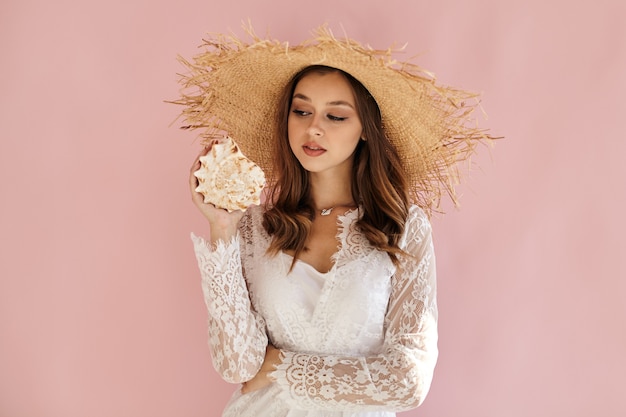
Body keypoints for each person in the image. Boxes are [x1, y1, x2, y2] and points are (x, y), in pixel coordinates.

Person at [178, 26, 492, 417]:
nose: (314, 127)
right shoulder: (254, 228)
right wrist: (222, 230)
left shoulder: (403, 226)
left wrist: (278, 366)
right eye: (302, 110)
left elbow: (407, 380)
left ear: (365, 130)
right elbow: (238, 365)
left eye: (336, 116)